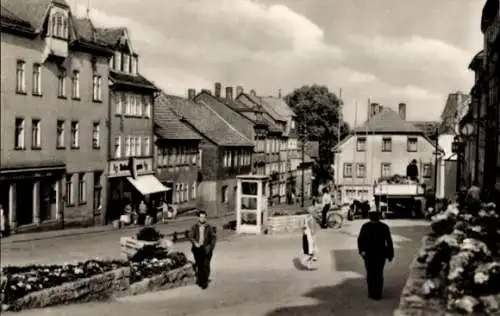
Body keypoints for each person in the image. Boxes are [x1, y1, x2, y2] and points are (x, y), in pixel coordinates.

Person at [357, 209, 394, 300]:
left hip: (370, 254)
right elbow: (389, 242)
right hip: (378, 254)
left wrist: (362, 251)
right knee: (378, 273)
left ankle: (372, 292)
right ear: (379, 217)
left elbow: (360, 240)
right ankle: (377, 293)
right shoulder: (384, 227)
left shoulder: (365, 226)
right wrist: (390, 254)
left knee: (371, 273)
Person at [189, 210, 216, 289]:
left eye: (204, 217)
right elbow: (191, 236)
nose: (202, 219)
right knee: (199, 264)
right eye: (201, 217)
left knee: (206, 264)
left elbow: (213, 238)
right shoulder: (194, 227)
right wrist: (195, 243)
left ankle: (205, 280)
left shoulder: (209, 227)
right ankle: (201, 280)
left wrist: (211, 248)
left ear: (206, 218)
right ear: (198, 218)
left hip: (206, 248)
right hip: (197, 248)